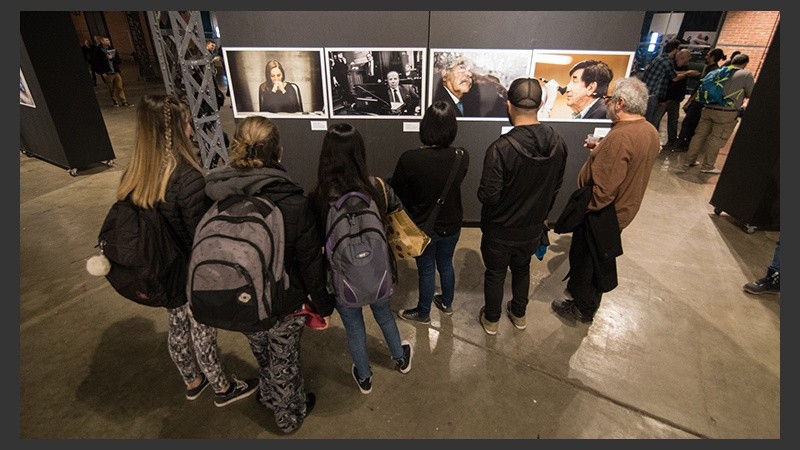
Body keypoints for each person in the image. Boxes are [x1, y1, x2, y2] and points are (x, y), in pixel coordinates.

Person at [117, 94, 259, 407]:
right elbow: (201, 234)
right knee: (202, 328)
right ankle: (222, 388)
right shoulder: (186, 177)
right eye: (185, 122)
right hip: (189, 269)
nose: (191, 127)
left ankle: (192, 380)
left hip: (159, 269)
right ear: (173, 130)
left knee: (177, 324)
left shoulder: (134, 173)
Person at [203, 115, 335, 432]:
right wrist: (323, 304)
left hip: (240, 293)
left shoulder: (217, 191)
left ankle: (267, 394)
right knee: (284, 360)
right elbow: (309, 263)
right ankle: (288, 416)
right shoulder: (292, 201)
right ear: (279, 153)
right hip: (283, 300)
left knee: (262, 352)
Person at [310, 123, 413, 395]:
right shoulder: (377, 187)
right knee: (384, 316)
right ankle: (400, 359)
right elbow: (397, 216)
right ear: (359, 153)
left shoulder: (318, 197)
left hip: (341, 279)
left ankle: (365, 376)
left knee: (354, 327)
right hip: (377, 271)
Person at [551, 77, 660, 323]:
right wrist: (600, 148)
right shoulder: (649, 130)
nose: (607, 104)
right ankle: (586, 303)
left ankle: (582, 308)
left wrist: (582, 211)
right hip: (623, 210)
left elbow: (603, 190)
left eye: (610, 100)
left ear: (620, 103)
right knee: (598, 259)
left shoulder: (621, 137)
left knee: (588, 263)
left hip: (602, 214)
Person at [477, 78, 568, 334]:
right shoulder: (558, 143)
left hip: (500, 229)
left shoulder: (500, 148)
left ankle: (492, 320)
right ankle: (519, 315)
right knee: (522, 268)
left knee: (495, 273)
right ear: (540, 104)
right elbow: (556, 188)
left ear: (509, 105)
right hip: (532, 228)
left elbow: (489, 196)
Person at [391, 101, 469, 323]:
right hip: (452, 222)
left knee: (426, 270)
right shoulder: (462, 156)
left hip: (422, 225)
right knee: (446, 263)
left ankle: (423, 313)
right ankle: (446, 303)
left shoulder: (410, 158)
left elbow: (397, 191)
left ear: (424, 126)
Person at [683, 53, 754, 174]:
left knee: (699, 135)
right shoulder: (746, 74)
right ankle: (707, 166)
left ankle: (689, 160)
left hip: (708, 108)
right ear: (745, 63)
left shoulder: (719, 71)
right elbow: (750, 93)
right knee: (716, 139)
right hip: (726, 112)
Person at [675, 48, 726, 151]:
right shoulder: (712, 69)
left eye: (708, 55)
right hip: (701, 102)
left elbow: (701, 88)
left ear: (712, 57)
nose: (705, 56)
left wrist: (689, 102)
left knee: (689, 123)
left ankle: (683, 144)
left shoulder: (712, 71)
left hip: (699, 102)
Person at [642, 39, 699, 127]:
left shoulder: (660, 58)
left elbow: (672, 72)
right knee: (649, 122)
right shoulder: (666, 62)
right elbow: (674, 77)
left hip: (649, 93)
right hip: (653, 95)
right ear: (675, 50)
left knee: (650, 121)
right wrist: (688, 73)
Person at [432, 53, 506, 118]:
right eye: (462, 68)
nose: (469, 74)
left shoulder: (468, 102)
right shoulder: (437, 104)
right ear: (444, 73)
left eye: (470, 70)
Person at [654, 49, 694, 149]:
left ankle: (671, 141)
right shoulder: (670, 65)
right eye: (688, 57)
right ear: (682, 57)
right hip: (664, 99)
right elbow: (673, 78)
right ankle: (652, 139)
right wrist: (686, 73)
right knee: (656, 120)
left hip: (675, 100)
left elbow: (681, 84)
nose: (690, 59)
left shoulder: (685, 68)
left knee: (673, 121)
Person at [92, 36, 131, 107]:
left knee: (120, 87)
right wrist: (102, 72)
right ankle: (115, 101)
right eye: (106, 40)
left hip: (115, 71)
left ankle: (124, 101)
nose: (108, 41)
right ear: (102, 41)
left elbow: (118, 60)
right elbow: (96, 63)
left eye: (108, 40)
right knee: (111, 88)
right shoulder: (98, 51)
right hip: (107, 73)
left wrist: (112, 58)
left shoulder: (111, 49)